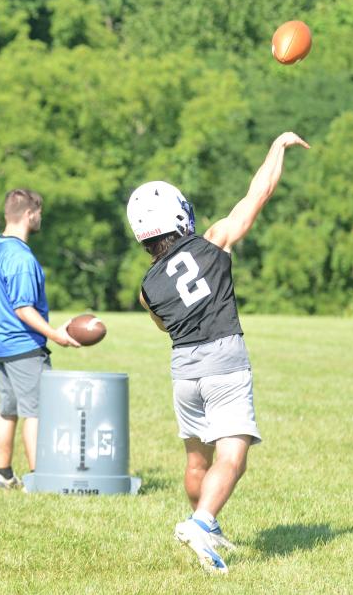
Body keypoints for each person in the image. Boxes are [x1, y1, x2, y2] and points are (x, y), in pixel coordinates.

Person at [126, 132, 310, 573]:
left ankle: (207, 528)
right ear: (179, 216)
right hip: (224, 361)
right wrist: (277, 146)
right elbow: (258, 193)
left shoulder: (147, 288)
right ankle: (200, 522)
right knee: (233, 454)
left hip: (183, 370)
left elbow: (164, 325)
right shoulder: (212, 241)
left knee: (196, 459)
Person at [0, 188, 79, 489]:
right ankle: (39, 479)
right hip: (23, 346)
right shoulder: (21, 257)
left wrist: (0, 323)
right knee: (37, 412)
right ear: (28, 214)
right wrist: (54, 335)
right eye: (39, 212)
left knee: (7, 410)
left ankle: (4, 475)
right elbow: (23, 307)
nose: (41, 218)